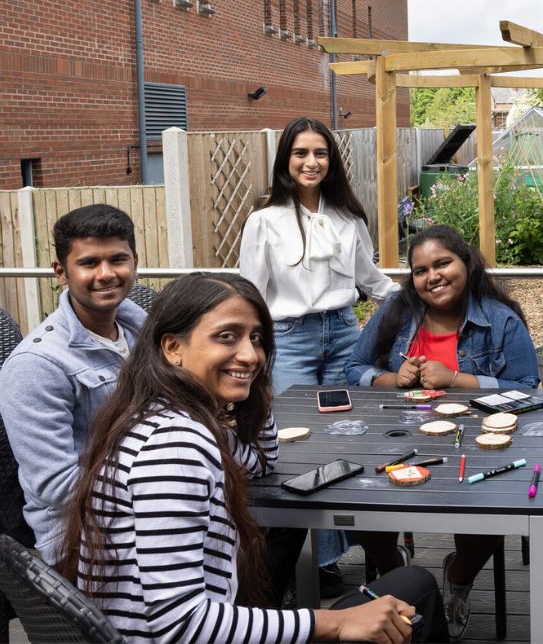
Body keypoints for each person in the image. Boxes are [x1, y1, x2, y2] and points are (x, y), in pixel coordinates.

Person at [56, 273, 448, 644]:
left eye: (257, 339)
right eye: (227, 337)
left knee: (409, 587)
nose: (250, 354)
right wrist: (336, 621)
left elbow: (259, 460)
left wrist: (255, 386)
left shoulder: (164, 415)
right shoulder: (174, 446)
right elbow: (181, 624)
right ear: (173, 348)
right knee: (416, 591)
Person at [346, 225, 538, 641]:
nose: (432, 276)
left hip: (477, 440)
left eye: (442, 263)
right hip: (397, 435)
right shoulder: (397, 311)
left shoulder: (499, 318)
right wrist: (391, 380)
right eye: (420, 270)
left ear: (465, 263)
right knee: (357, 491)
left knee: (492, 499)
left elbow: (529, 385)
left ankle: (459, 574)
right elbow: (355, 368)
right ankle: (397, 579)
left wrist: (457, 379)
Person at [239, 116, 401, 591]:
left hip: (345, 333)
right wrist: (250, 349)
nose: (311, 162)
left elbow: (372, 282)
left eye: (320, 153)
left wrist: (421, 301)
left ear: (332, 162)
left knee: (347, 440)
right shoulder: (263, 221)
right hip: (288, 337)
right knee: (296, 444)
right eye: (301, 153)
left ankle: (331, 558)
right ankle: (303, 560)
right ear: (286, 161)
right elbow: (250, 294)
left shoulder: (348, 218)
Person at [0, 204, 145, 558]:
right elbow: (57, 486)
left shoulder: (146, 333)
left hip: (147, 515)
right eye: (89, 263)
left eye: (117, 259)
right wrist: (164, 488)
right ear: (61, 272)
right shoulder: (36, 364)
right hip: (84, 543)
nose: (107, 273)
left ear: (135, 262)